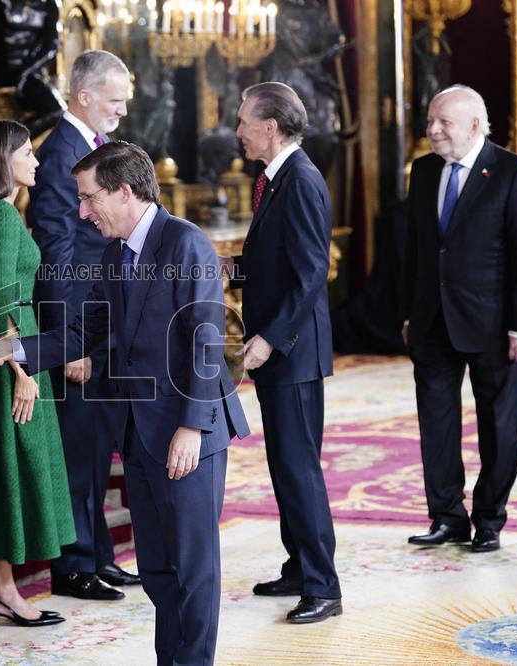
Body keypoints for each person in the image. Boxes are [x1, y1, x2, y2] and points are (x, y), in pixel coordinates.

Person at [0, 141, 250, 665]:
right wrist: (4, 349)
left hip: (186, 432)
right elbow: (82, 333)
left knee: (193, 568)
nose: (83, 211)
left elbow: (206, 342)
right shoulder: (113, 254)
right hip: (137, 433)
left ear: (124, 192)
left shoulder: (186, 244)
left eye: (88, 198)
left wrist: (192, 429)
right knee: (155, 567)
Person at [400, 85, 517, 551]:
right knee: (436, 425)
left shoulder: (511, 171)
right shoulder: (422, 171)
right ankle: (446, 517)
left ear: (476, 126)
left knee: (499, 428)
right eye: (430, 121)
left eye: (444, 122)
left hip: (494, 324)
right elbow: (416, 251)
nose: (433, 130)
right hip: (431, 322)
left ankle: (489, 519)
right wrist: (408, 312)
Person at [27, 48, 140, 602]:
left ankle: (98, 554)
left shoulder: (92, 148)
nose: (122, 109)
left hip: (99, 325)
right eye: (115, 100)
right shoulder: (60, 156)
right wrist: (67, 342)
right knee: (78, 449)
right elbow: (56, 254)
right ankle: (73, 566)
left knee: (98, 447)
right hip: (76, 331)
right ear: (85, 95)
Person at [226, 81, 342, 624]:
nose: (239, 131)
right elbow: (277, 261)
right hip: (280, 349)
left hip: (290, 351)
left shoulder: (300, 180)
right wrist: (233, 270)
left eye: (245, 121)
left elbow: (310, 273)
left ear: (270, 126)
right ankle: (298, 567)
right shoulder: (276, 179)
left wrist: (271, 338)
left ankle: (323, 586)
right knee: (284, 466)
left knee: (299, 469)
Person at [0, 119, 72, 628]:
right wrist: (23, 372)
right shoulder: (1, 216)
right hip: (9, 359)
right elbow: (0, 300)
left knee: (10, 469)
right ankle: (2, 592)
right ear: (3, 160)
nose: (36, 161)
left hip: (13, 351)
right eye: (27, 152)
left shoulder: (2, 212)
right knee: (9, 470)